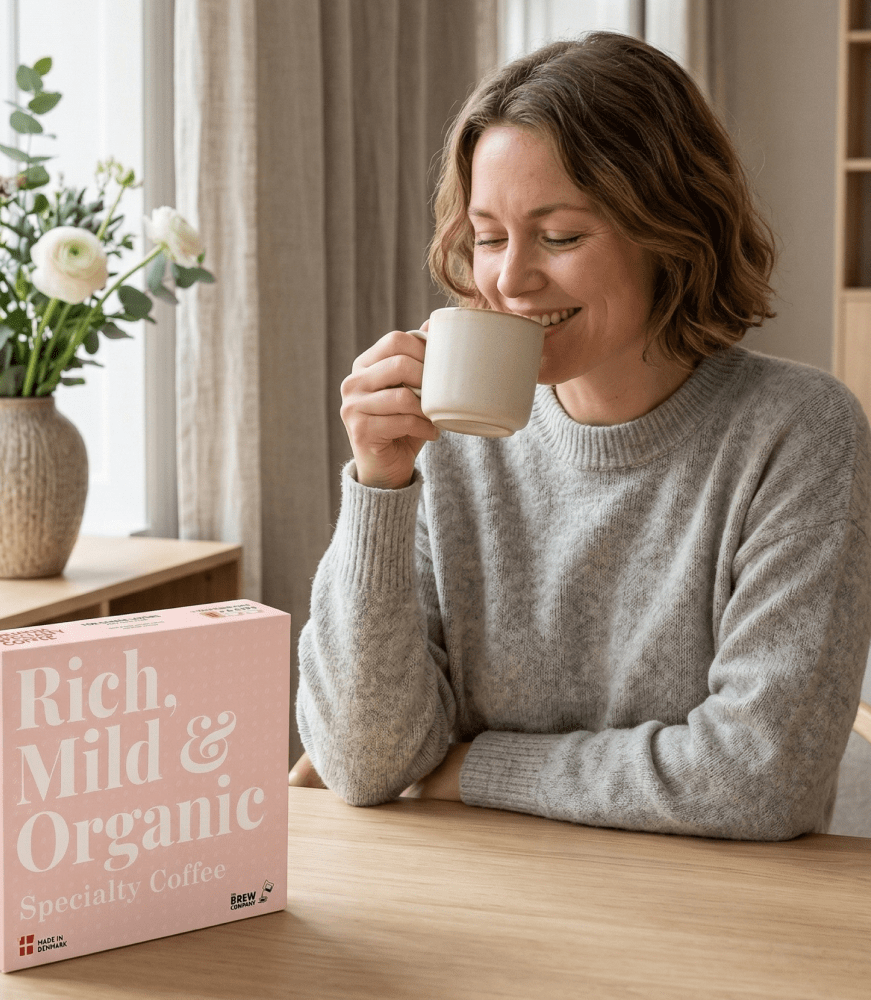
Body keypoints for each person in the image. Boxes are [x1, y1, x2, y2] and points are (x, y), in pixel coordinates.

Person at [294, 31, 871, 839]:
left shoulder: (798, 433)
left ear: (670, 230)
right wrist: (379, 489)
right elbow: (363, 763)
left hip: (715, 925)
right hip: (474, 906)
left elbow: (757, 781)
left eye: (559, 236)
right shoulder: (452, 437)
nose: (509, 278)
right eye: (489, 237)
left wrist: (468, 766)